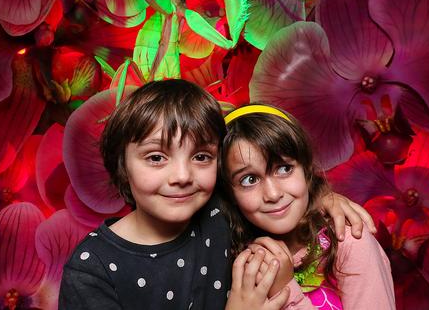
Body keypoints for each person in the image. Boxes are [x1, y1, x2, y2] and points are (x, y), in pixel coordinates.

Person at [59, 80, 374, 310]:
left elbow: (266, 184)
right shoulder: (92, 268)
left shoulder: (216, 213)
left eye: (201, 157)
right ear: (121, 166)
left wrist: (325, 199)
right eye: (156, 157)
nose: (182, 176)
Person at [220, 104, 395, 309]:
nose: (273, 194)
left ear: (306, 169)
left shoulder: (349, 242)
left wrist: (285, 291)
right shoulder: (228, 252)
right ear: (229, 193)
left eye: (284, 169)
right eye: (249, 180)